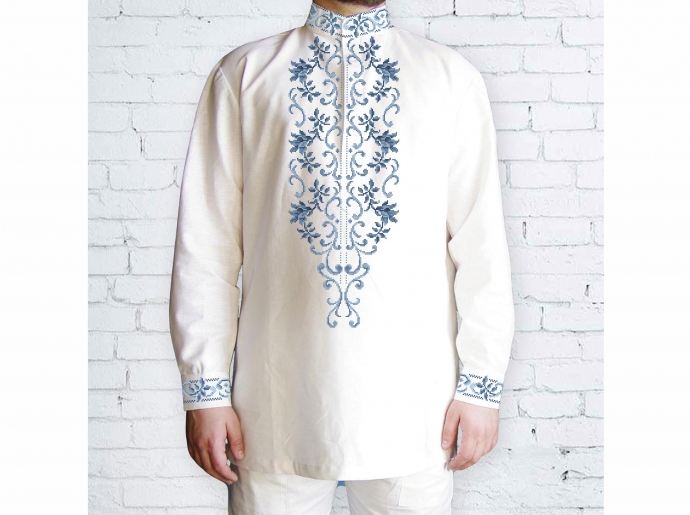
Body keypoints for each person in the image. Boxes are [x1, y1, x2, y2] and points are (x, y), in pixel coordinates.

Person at [168, 0, 515, 513]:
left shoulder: (449, 78)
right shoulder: (244, 75)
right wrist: (206, 392)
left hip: (417, 407)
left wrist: (481, 387)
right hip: (272, 408)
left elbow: (480, 246)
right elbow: (206, 247)